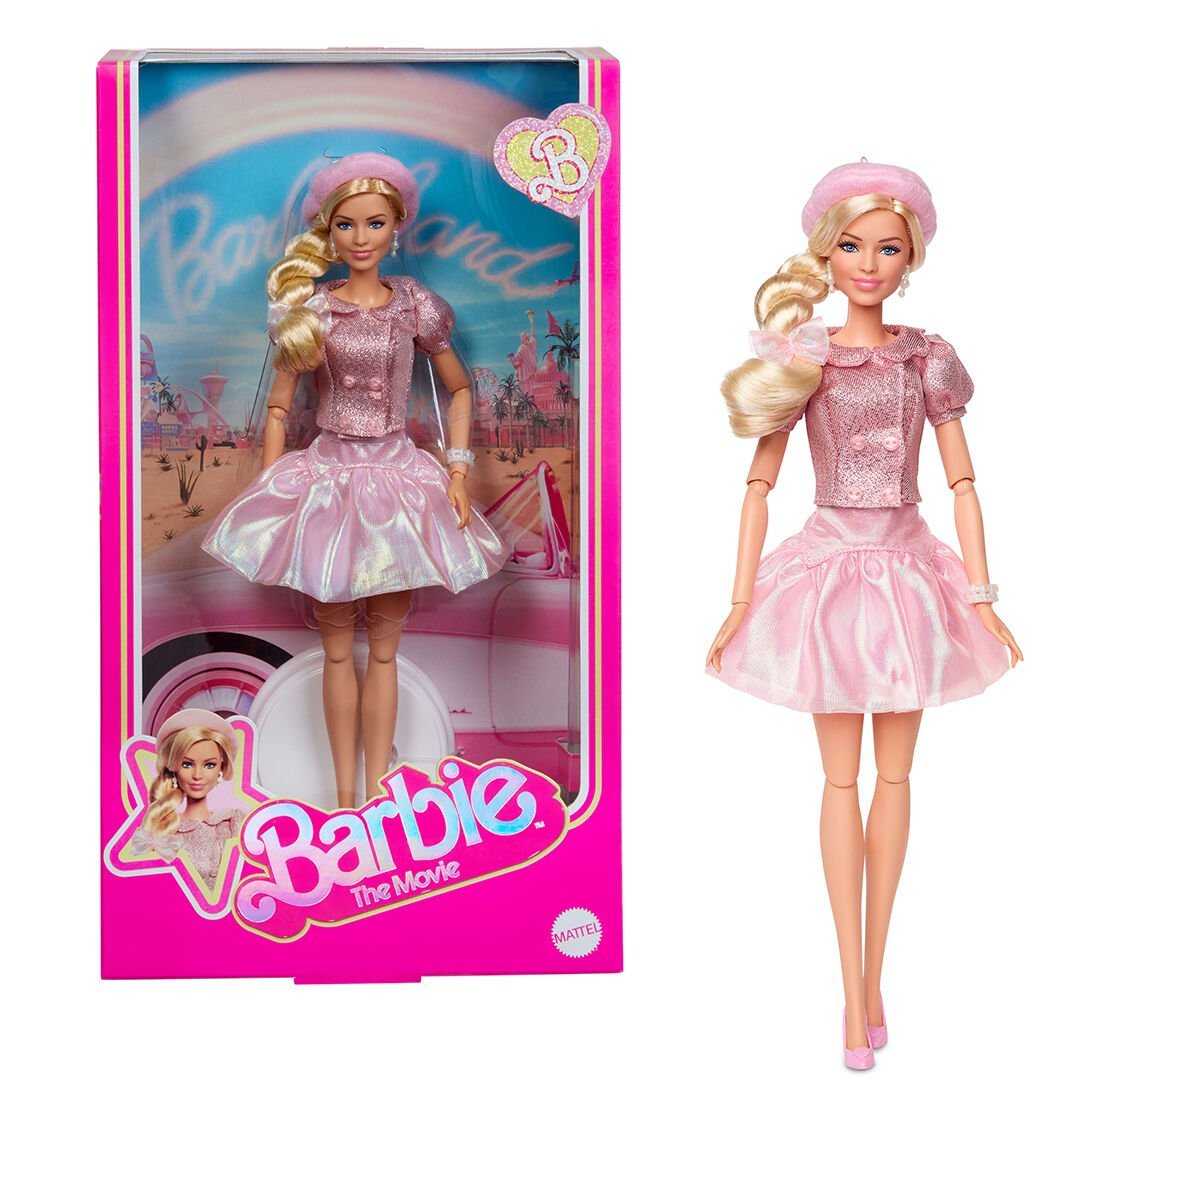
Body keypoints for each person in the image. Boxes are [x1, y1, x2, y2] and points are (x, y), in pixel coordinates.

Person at [705, 161, 1023, 1070]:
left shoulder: (928, 357)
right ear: (827, 252)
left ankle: (873, 981)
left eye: (887, 248)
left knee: (896, 779)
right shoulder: (804, 355)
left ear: (910, 256)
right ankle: (853, 992)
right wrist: (738, 601)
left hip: (913, 574)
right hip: (827, 576)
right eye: (852, 246)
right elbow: (758, 486)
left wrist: (984, 595)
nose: (870, 264)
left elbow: (964, 483)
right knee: (839, 782)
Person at [203, 153, 508, 808]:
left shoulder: (415, 306)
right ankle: (344, 801)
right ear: (329, 231)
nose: (361, 237)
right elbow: (279, 407)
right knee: (337, 651)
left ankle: (375, 795)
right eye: (346, 224)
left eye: (374, 223)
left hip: (398, 479)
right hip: (329, 479)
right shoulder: (313, 310)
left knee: (386, 653)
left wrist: (458, 469)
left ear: (396, 227)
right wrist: (271, 485)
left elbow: (458, 389)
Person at [133, 709, 242, 892]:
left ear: (221, 768)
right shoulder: (162, 831)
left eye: (209, 765)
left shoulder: (233, 821)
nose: (197, 775)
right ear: (174, 768)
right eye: (187, 764)